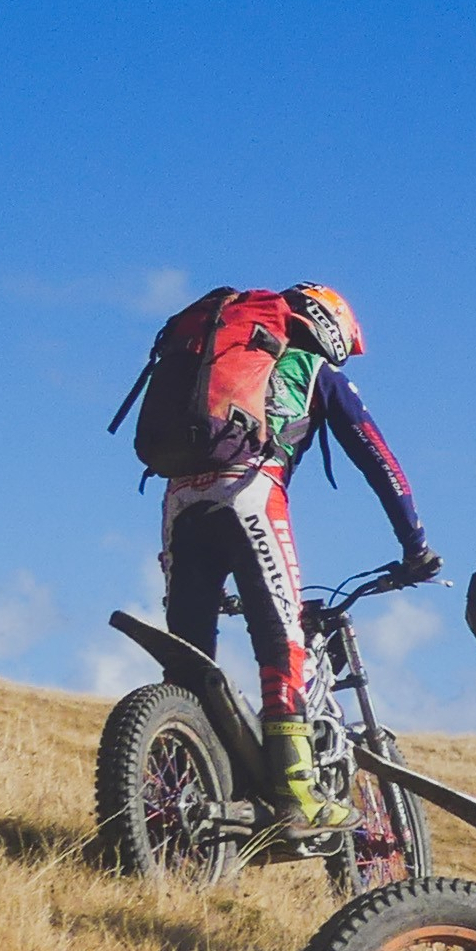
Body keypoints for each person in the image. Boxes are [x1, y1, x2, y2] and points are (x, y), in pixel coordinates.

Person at [157, 283, 439, 830]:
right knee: (280, 637)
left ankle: (165, 792)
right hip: (250, 492)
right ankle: (294, 792)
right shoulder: (315, 371)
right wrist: (416, 545)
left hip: (178, 499)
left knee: (187, 656)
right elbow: (379, 459)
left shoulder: (217, 356)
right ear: (330, 327)